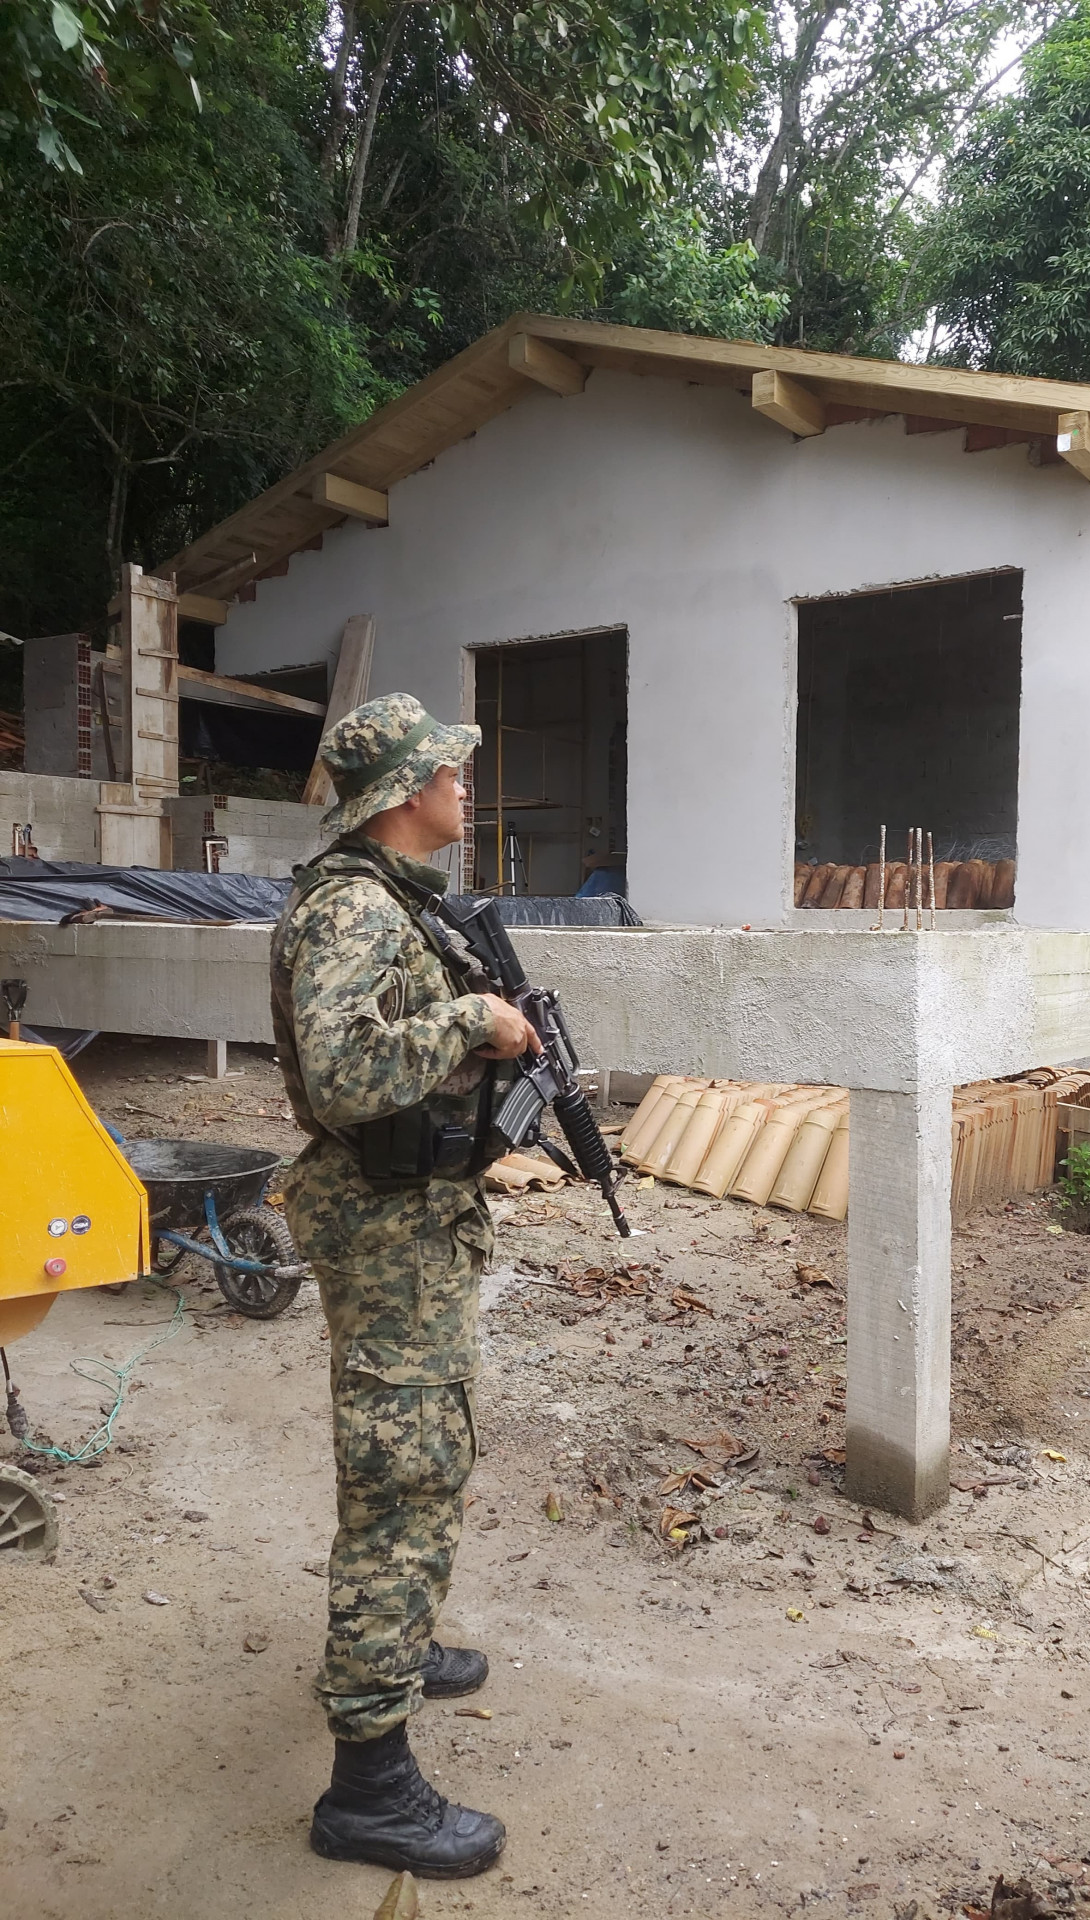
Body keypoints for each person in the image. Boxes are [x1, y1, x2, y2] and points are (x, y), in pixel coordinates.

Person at [270, 692, 540, 1879]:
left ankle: (399, 1641)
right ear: (402, 794)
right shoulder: (355, 914)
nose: (464, 788)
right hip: (388, 1235)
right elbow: (341, 1076)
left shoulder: (390, 905)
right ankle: (368, 1789)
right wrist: (470, 1020)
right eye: (449, 772)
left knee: (415, 1457)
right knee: (404, 1472)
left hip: (411, 1226)